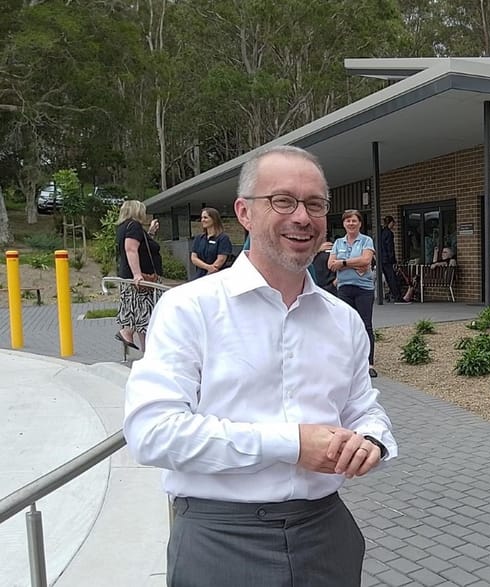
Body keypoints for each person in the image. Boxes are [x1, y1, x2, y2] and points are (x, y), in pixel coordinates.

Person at [123, 145, 397, 587]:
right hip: (220, 540)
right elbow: (152, 433)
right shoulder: (188, 309)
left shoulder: (342, 320)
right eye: (283, 201)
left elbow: (364, 409)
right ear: (244, 213)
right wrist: (290, 444)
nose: (302, 217)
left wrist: (372, 441)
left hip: (327, 534)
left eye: (314, 204)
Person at [330, 210, 378, 378]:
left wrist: (343, 263)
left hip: (363, 289)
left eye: (354, 221)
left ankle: (369, 363)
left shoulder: (366, 240)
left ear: (360, 223)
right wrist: (355, 264)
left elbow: (366, 261)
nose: (351, 223)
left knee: (365, 325)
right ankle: (349, 363)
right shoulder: (338, 243)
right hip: (344, 288)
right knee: (346, 326)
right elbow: (331, 264)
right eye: (348, 221)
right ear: (344, 224)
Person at [115, 199, 163, 352]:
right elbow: (131, 249)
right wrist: (137, 275)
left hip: (129, 277)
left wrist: (150, 233)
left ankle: (146, 350)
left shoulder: (124, 227)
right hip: (141, 279)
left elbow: (139, 247)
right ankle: (128, 332)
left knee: (143, 317)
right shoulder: (134, 226)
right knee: (146, 315)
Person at [189, 207, 233, 279]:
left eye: (205, 217)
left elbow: (221, 259)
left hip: (217, 277)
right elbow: (194, 258)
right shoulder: (199, 238)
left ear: (214, 219)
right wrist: (208, 267)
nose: (202, 220)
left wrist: (210, 273)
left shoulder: (223, 238)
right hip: (200, 277)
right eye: (202, 218)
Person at [379, 215, 404, 303]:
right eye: (393, 223)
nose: (394, 225)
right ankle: (397, 296)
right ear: (390, 223)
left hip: (381, 259)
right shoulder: (389, 233)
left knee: (388, 278)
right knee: (392, 278)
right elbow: (390, 248)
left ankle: (393, 295)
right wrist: (393, 260)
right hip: (388, 259)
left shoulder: (381, 232)